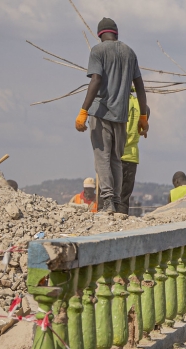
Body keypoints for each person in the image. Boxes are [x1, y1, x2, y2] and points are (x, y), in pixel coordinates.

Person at [75, 17, 148, 214]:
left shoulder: (98, 51)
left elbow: (96, 79)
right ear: (116, 34)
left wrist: (84, 110)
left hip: (100, 112)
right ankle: (114, 201)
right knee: (116, 158)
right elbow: (140, 86)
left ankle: (107, 200)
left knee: (102, 157)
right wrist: (143, 116)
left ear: (100, 35)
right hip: (121, 115)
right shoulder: (129, 52)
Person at [118, 91, 147, 214]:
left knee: (109, 197)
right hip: (132, 157)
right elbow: (145, 123)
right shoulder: (141, 106)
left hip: (116, 156)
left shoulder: (117, 102)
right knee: (124, 199)